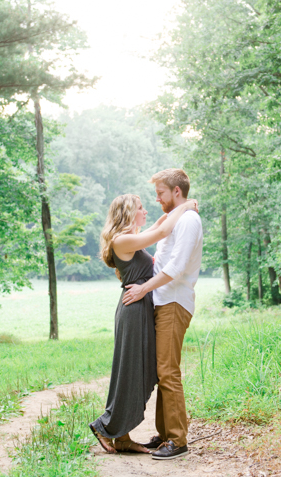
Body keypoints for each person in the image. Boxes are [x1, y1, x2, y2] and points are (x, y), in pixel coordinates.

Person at [89, 193, 199, 454]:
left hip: (140, 307)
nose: (145, 210)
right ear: (128, 212)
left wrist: (175, 209)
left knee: (138, 370)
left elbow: (157, 225)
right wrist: (185, 206)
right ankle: (104, 426)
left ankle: (123, 437)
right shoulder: (123, 240)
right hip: (133, 308)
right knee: (129, 370)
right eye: (140, 208)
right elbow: (161, 230)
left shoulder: (130, 239)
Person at [122, 169, 203, 460]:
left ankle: (178, 440)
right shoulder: (176, 218)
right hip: (162, 301)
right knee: (161, 371)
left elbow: (176, 267)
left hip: (174, 302)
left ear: (176, 192)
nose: (157, 198)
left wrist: (143, 288)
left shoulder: (189, 221)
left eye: (160, 193)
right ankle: (165, 433)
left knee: (169, 372)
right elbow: (160, 258)